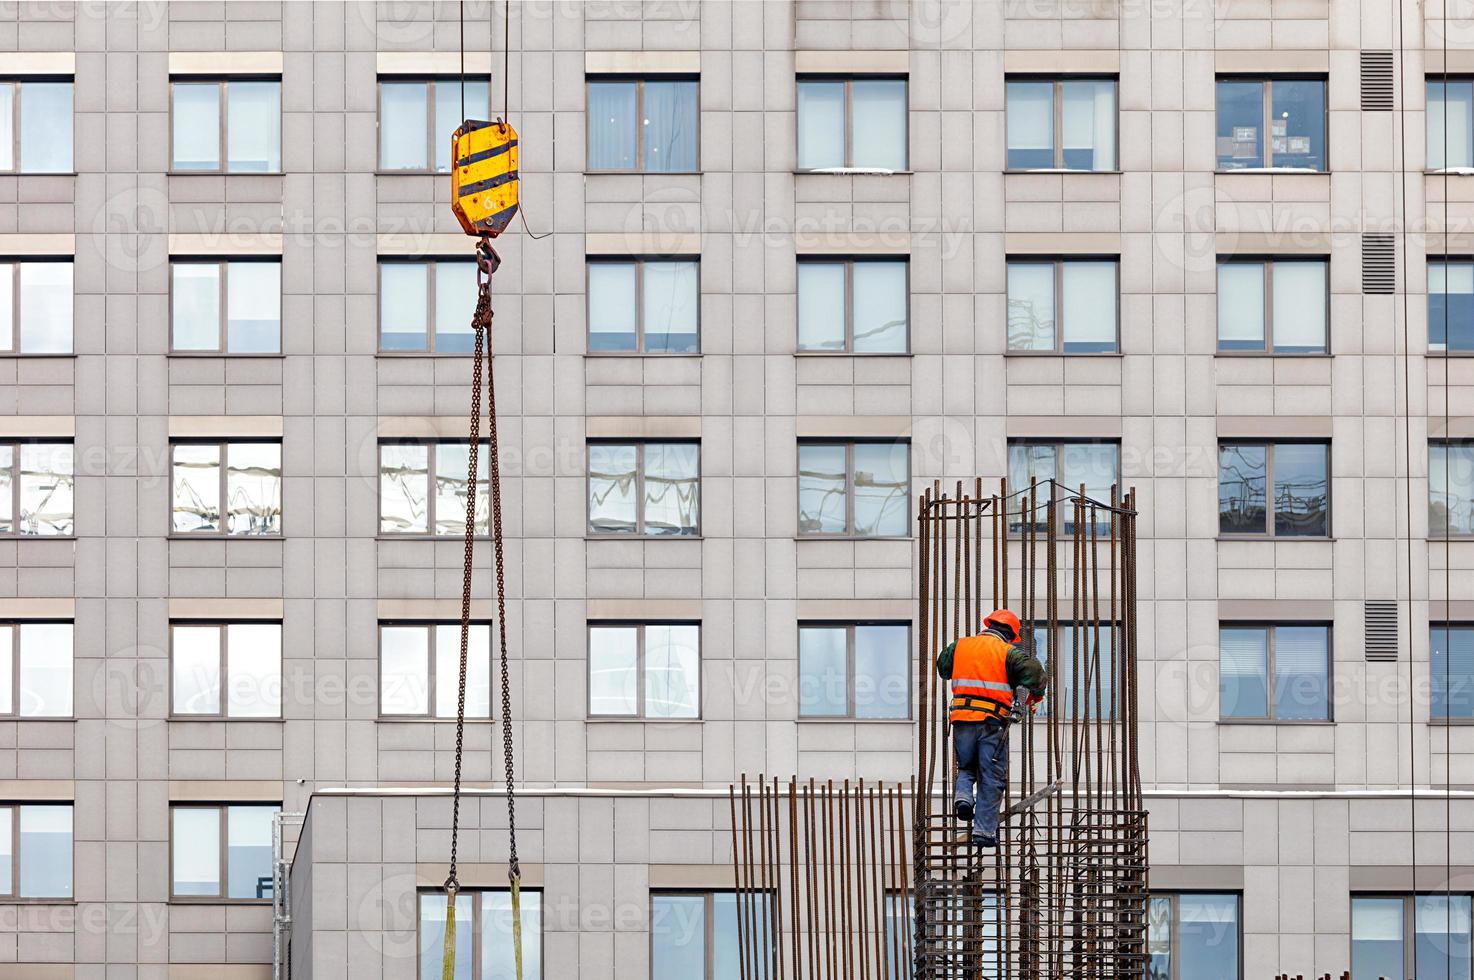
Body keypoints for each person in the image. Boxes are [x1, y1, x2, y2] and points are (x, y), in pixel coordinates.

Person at [935, 609, 1046, 847]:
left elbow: (943, 668)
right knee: (991, 777)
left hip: (962, 719)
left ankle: (963, 798)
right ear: (1010, 634)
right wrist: (1036, 696)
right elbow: (1036, 674)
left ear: (988, 626)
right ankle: (984, 831)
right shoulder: (1007, 652)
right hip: (991, 722)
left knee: (965, 766)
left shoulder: (960, 646)